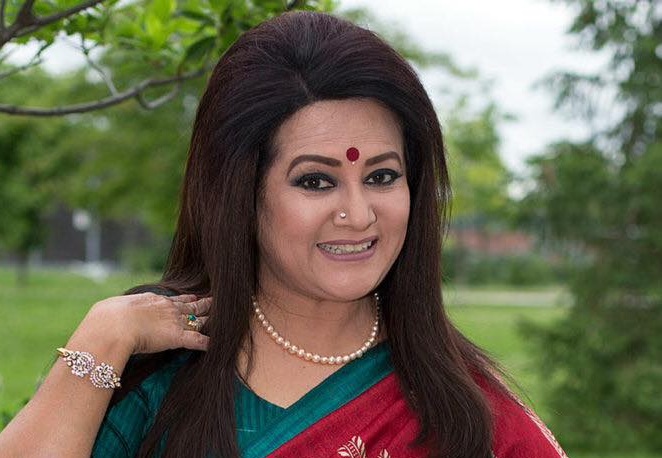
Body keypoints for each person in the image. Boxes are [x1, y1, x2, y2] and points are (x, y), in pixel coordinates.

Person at [0, 11, 569, 458]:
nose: (358, 214)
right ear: (242, 195)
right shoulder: (155, 380)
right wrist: (102, 336)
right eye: (316, 181)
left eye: (382, 177)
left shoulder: (469, 413)